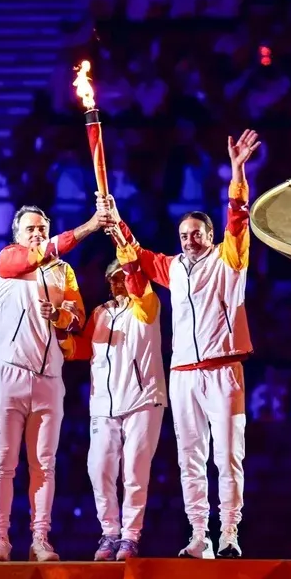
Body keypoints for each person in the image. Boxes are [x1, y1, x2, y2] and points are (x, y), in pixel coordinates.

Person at [97, 129, 261, 559]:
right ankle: (199, 536)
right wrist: (114, 221)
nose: (189, 240)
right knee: (190, 460)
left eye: (196, 234)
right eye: (184, 235)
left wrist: (237, 171)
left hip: (225, 369)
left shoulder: (229, 261)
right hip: (184, 375)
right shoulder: (174, 270)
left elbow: (238, 219)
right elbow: (134, 253)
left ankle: (229, 534)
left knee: (228, 457)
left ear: (210, 236)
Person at [0, 204, 109, 562]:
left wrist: (60, 315)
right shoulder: (8, 261)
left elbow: (78, 319)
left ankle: (40, 539)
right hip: (8, 373)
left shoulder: (63, 272)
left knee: (44, 462)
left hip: (49, 378)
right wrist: (86, 228)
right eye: (30, 229)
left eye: (42, 228)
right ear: (17, 236)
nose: (36, 233)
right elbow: (37, 254)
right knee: (3, 462)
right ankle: (0, 541)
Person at [64, 233, 167, 562]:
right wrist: (59, 326)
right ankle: (109, 533)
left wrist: (127, 255)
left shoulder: (147, 306)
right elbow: (80, 349)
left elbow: (139, 284)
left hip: (142, 400)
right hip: (104, 406)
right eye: (113, 278)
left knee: (135, 470)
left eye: (123, 276)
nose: (119, 283)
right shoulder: (101, 313)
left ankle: (130, 537)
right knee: (100, 467)